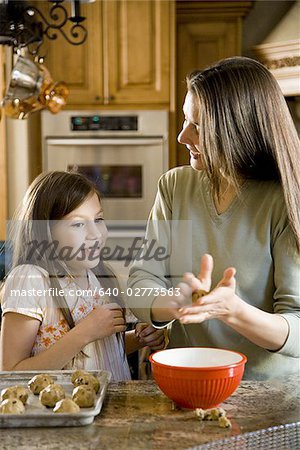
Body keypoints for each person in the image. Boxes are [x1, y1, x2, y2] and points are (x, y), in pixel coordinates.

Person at [127, 56, 300, 380]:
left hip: (268, 398)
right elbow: (139, 281)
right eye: (184, 120)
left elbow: (297, 326)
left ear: (240, 130)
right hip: (186, 381)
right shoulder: (175, 186)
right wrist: (171, 302)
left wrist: (233, 312)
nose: (181, 136)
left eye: (198, 126)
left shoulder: (285, 199)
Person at [0, 171, 165, 380]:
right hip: (63, 410)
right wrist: (85, 332)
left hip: (112, 408)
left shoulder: (97, 275)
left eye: (98, 219)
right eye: (78, 224)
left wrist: (139, 339)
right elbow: (11, 372)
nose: (95, 234)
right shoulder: (30, 278)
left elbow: (97, 353)